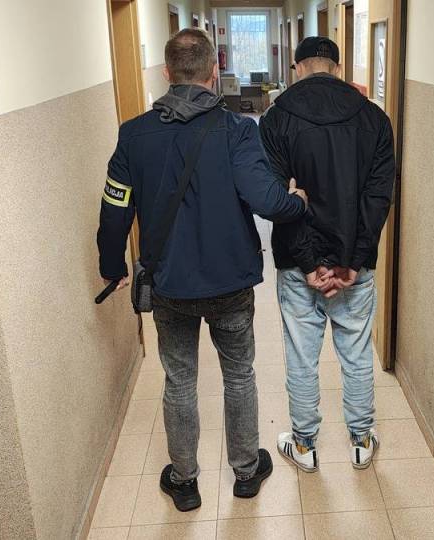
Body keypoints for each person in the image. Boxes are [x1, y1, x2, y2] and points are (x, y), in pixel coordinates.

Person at [97, 28, 308, 511]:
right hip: (231, 282)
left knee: (179, 380)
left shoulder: (133, 134)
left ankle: (184, 480)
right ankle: (246, 472)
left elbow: (114, 207)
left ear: (167, 73)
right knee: (239, 376)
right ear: (214, 72)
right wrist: (296, 201)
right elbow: (267, 201)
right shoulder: (237, 131)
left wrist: (112, 264)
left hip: (169, 284)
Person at [259, 37, 395, 472]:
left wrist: (309, 263)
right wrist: (352, 261)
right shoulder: (374, 119)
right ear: (336, 67)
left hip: (299, 268)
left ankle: (304, 445)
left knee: (301, 356)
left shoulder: (276, 119)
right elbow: (378, 198)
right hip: (354, 266)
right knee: (356, 353)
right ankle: (361, 440)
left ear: (298, 67)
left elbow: (280, 199)